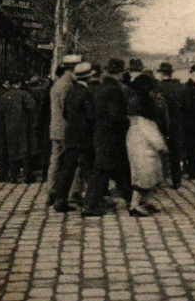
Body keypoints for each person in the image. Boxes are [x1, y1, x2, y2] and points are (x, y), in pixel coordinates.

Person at [87, 58, 132, 216]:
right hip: (111, 136)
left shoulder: (99, 88)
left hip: (100, 133)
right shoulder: (114, 89)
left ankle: (132, 201)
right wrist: (126, 122)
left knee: (112, 170)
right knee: (105, 170)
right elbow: (115, 115)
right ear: (119, 73)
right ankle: (90, 206)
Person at [50, 62, 96, 214]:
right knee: (90, 168)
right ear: (88, 77)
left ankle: (60, 200)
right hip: (84, 137)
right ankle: (90, 203)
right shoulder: (86, 93)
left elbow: (64, 114)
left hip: (71, 136)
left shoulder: (71, 92)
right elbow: (91, 115)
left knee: (67, 169)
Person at [126, 60, 168, 217]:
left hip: (140, 144)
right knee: (144, 175)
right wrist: (162, 146)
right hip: (143, 147)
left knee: (151, 174)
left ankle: (147, 200)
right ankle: (134, 205)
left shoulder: (134, 110)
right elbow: (151, 132)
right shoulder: (144, 116)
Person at [46, 54, 83, 207]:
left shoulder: (58, 84)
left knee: (56, 161)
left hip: (56, 128)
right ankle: (74, 192)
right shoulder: (67, 86)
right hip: (66, 130)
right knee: (73, 162)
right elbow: (67, 111)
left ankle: (52, 191)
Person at [0, 75, 37, 183]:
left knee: (12, 152)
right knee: (25, 151)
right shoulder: (24, 94)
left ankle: (13, 176)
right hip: (23, 127)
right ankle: (27, 176)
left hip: (9, 128)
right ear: (19, 83)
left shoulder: (4, 96)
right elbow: (32, 108)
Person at [157, 62, 185, 189]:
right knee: (175, 153)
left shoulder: (158, 87)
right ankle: (176, 180)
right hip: (178, 123)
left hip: (162, 124)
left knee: (160, 152)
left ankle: (160, 179)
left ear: (161, 74)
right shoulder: (179, 87)